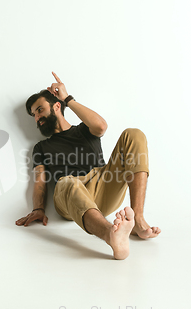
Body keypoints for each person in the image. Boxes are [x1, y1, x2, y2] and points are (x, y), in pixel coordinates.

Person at [16, 72, 160, 259]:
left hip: (103, 185)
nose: (37, 118)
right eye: (34, 115)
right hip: (69, 196)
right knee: (67, 182)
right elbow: (40, 181)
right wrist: (38, 209)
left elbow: (101, 126)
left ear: (57, 106)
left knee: (133, 134)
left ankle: (138, 221)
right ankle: (111, 235)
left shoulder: (84, 129)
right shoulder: (41, 147)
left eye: (40, 110)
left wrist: (68, 98)